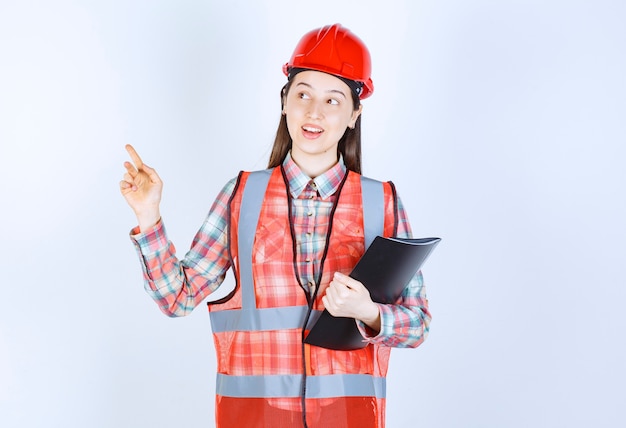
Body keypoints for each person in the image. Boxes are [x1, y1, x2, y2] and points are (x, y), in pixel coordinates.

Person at [120, 23, 431, 428]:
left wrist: (368, 312)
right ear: (284, 102)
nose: (314, 112)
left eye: (332, 100)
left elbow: (418, 323)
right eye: (302, 94)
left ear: (355, 113)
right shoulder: (243, 195)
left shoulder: (381, 201)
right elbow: (176, 299)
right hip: (253, 418)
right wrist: (149, 218)